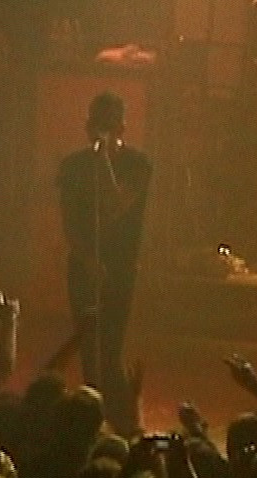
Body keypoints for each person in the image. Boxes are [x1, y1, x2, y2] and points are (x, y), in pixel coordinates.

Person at [56, 91, 151, 424]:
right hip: (84, 265)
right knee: (88, 344)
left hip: (121, 268)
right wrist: (86, 259)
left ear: (122, 128)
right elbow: (69, 221)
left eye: (109, 126)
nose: (102, 132)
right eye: (97, 124)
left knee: (111, 347)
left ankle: (121, 419)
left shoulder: (138, 164)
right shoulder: (72, 166)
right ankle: (92, 416)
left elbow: (115, 205)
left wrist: (103, 160)